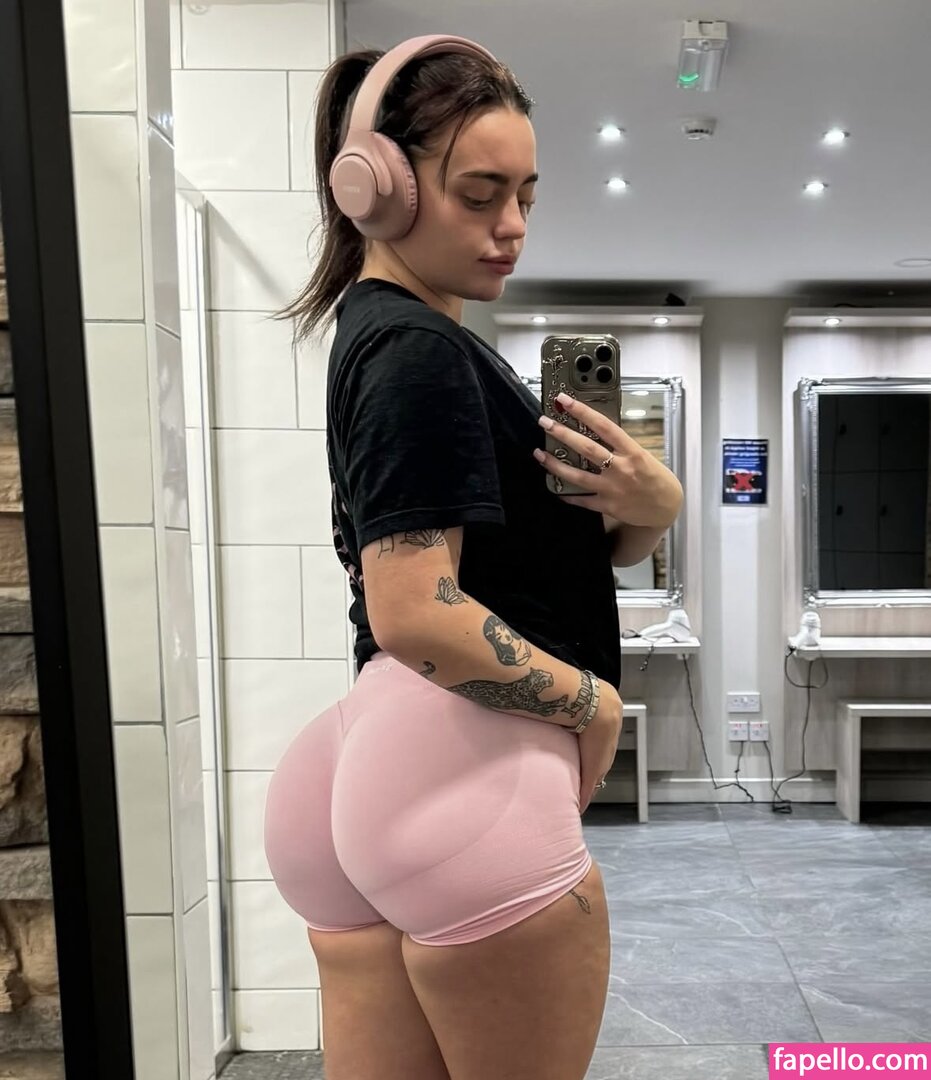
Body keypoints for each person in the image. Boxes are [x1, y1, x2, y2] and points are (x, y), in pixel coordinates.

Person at [263, 34, 683, 1080]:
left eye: (526, 197)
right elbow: (414, 609)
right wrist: (591, 704)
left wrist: (644, 513)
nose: (512, 228)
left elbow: (508, 571)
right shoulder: (418, 352)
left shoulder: (384, 334)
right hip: (468, 763)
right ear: (374, 187)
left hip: (377, 755)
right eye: (479, 194)